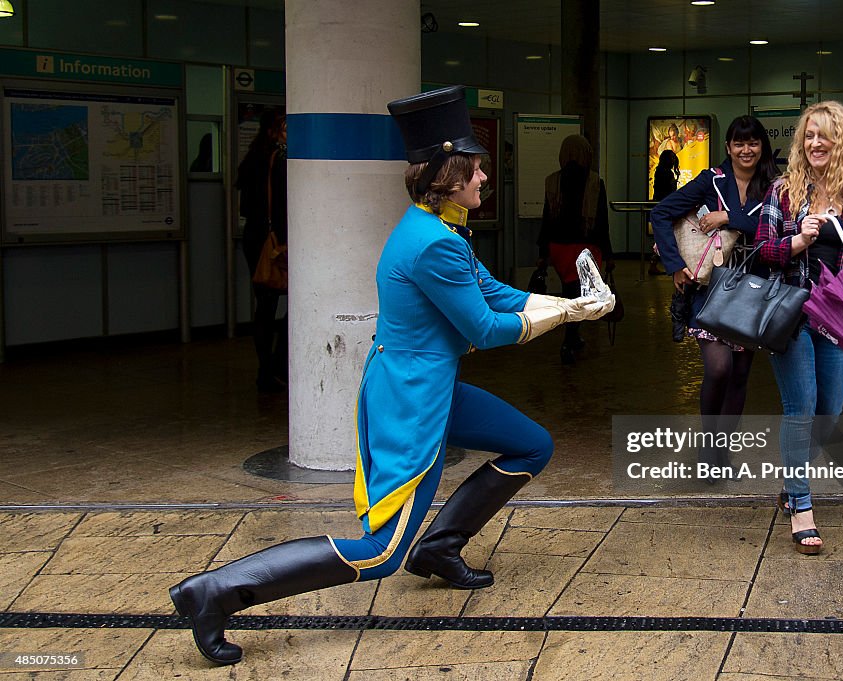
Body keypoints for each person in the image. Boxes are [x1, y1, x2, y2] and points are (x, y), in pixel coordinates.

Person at [169, 85, 613, 666]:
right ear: (449, 176)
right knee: (378, 553)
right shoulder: (432, 243)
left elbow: (492, 291)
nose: (484, 177)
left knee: (532, 445)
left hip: (430, 384)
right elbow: (484, 327)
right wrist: (565, 312)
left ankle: (440, 547)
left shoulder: (441, 228)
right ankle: (215, 593)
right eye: (475, 168)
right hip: (412, 400)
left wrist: (567, 299)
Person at [755, 101, 843, 554]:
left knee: (828, 415)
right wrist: (796, 241)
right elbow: (762, 251)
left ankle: (792, 481)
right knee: (801, 408)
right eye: (808, 136)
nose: (814, 144)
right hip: (792, 317)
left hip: (839, 321)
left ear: (841, 141)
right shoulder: (784, 193)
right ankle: (802, 507)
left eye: (823, 135)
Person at [651, 115, 779, 475]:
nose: (746, 150)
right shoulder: (711, 180)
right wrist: (675, 265)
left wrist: (728, 219)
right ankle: (709, 445)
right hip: (710, 291)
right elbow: (661, 213)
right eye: (739, 143)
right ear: (728, 147)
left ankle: (720, 453)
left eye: (753, 142)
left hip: (752, 292)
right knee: (719, 369)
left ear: (761, 146)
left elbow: (779, 229)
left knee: (740, 374)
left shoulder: (772, 186)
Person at [537, 134, 615, 365]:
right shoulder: (594, 181)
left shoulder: (552, 181)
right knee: (579, 296)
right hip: (585, 249)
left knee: (569, 292)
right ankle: (569, 340)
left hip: (559, 249)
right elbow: (602, 223)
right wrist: (609, 255)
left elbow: (546, 220)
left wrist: (543, 255)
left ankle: (574, 337)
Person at [237, 112, 288, 392]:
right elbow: (282, 206)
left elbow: (246, 207)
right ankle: (278, 365)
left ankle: (265, 369)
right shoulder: (279, 161)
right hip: (277, 240)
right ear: (272, 132)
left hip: (256, 237)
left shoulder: (252, 160)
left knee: (265, 305)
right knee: (295, 304)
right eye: (285, 129)